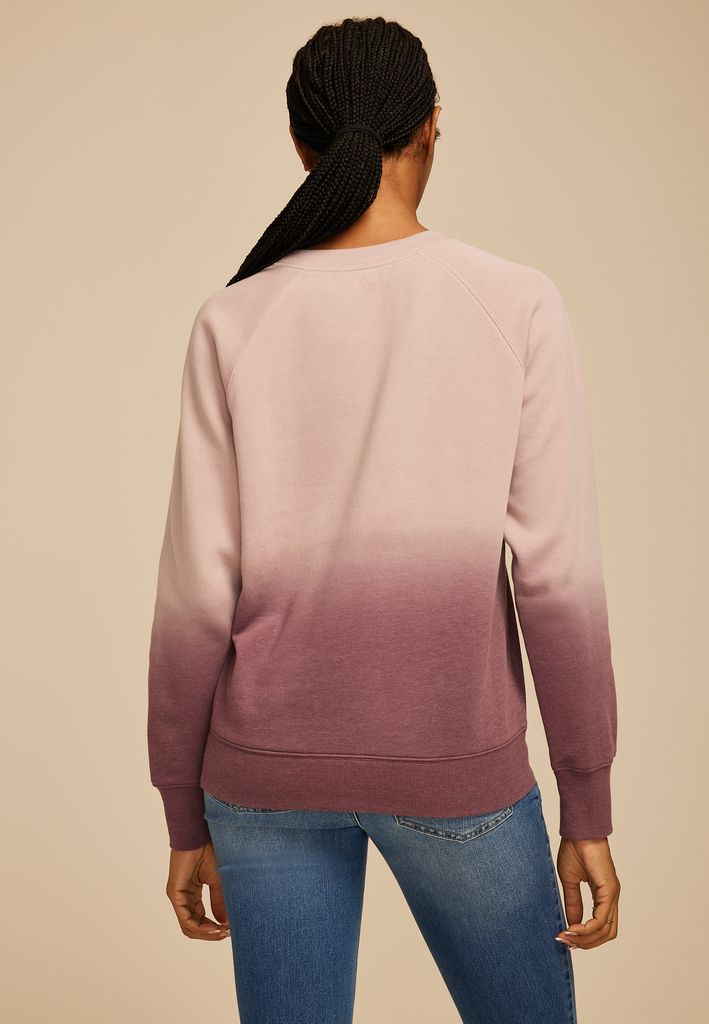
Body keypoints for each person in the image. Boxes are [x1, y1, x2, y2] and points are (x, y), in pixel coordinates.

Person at [147, 15, 621, 1024]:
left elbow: (193, 592)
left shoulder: (233, 317)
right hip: (455, 770)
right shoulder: (516, 303)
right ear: (432, 125)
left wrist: (182, 811)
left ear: (301, 147)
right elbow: (556, 577)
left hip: (261, 781)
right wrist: (587, 800)